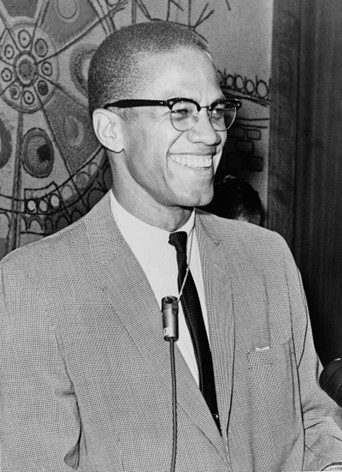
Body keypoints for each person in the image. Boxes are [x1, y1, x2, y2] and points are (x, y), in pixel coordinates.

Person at [1, 21, 342, 472]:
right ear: (111, 129)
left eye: (216, 110)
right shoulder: (34, 286)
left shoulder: (268, 257)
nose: (210, 134)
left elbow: (313, 418)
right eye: (181, 110)